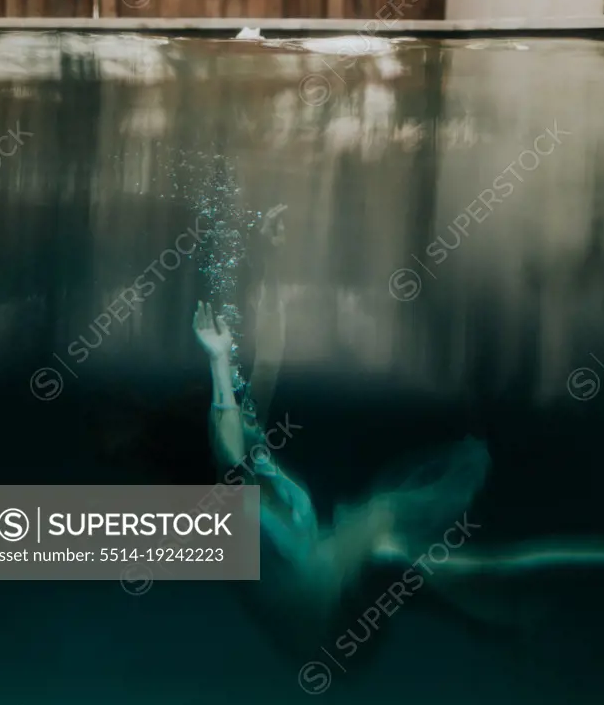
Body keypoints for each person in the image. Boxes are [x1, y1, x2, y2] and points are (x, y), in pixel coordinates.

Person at [193, 205, 494, 655]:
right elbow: (228, 448)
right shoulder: (239, 500)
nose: (252, 416)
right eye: (241, 418)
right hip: (318, 632)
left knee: (388, 552)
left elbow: (271, 355)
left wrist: (269, 258)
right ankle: (477, 619)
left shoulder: (261, 464)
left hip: (333, 605)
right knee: (384, 549)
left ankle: (474, 616)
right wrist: (217, 361)